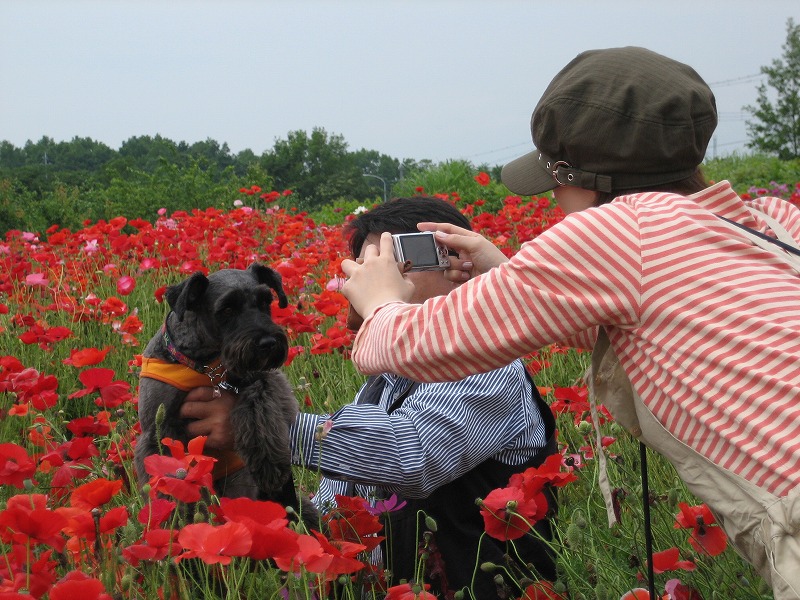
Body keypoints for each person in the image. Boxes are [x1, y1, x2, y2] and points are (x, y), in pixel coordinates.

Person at [339, 47, 800, 599]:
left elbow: (410, 347)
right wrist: (505, 269)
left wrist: (380, 299)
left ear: (584, 177)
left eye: (554, 180)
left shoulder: (615, 230)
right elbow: (639, 323)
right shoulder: (773, 222)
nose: (554, 198)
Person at [180, 196, 558, 599]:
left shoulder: (487, 363)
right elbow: (340, 504)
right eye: (365, 271)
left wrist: (258, 427)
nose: (369, 284)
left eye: (386, 266)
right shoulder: (386, 380)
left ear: (456, 263)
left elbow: (410, 455)